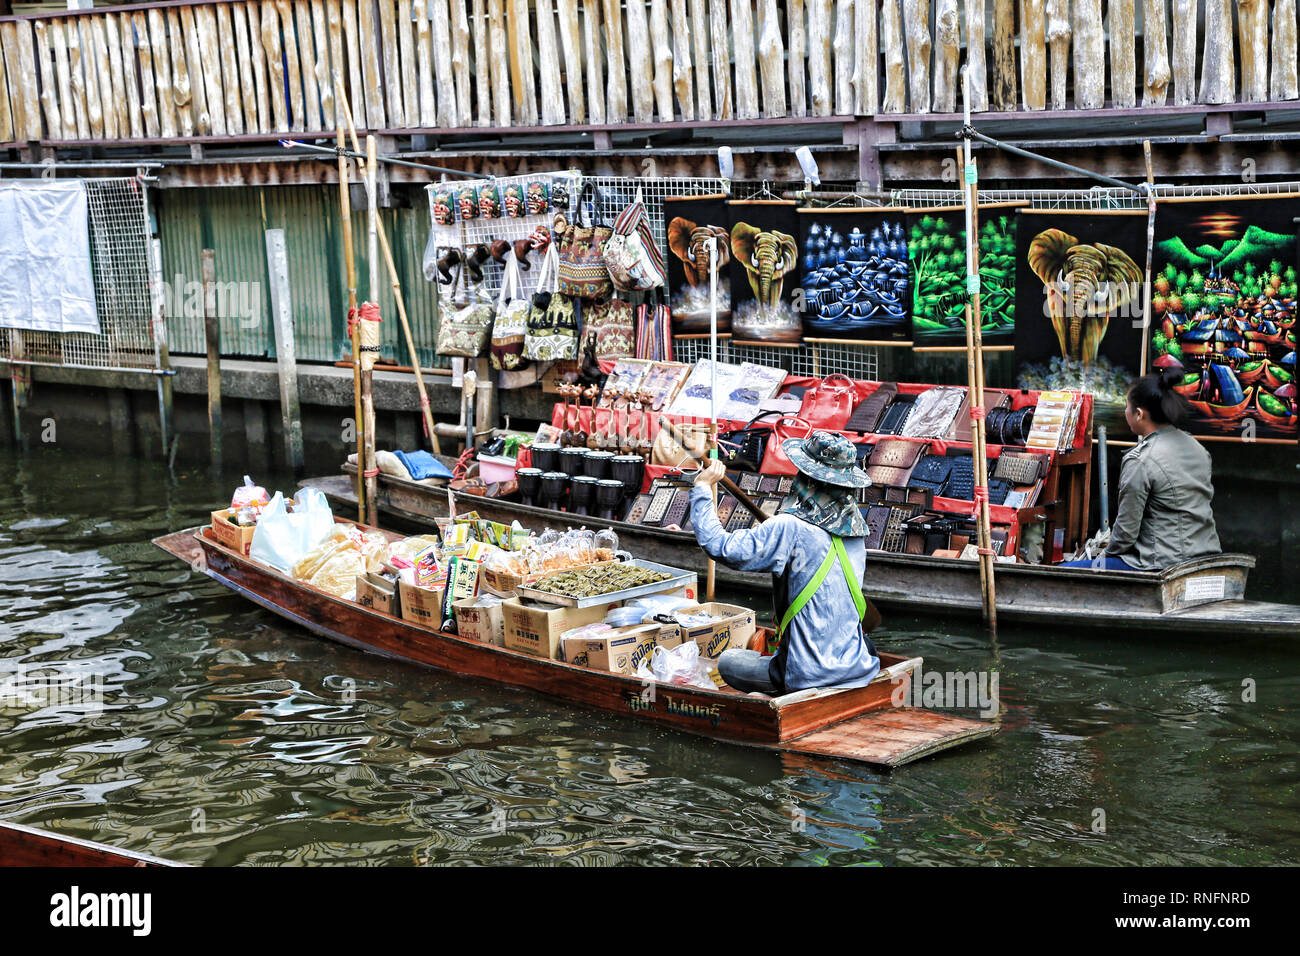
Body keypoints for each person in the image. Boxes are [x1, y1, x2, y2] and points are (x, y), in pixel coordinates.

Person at [689, 430, 879, 696]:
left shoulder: (788, 527)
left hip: (806, 674)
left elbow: (719, 546)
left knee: (728, 662)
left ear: (806, 479)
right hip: (856, 667)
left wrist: (701, 488)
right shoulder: (856, 534)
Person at [1061, 371, 1220, 571]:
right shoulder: (1197, 448)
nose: (1124, 412)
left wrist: (1103, 556)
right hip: (1205, 557)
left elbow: (1125, 534)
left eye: (1127, 407)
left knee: (1065, 571)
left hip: (1161, 564)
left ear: (1139, 414)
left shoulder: (1141, 460)